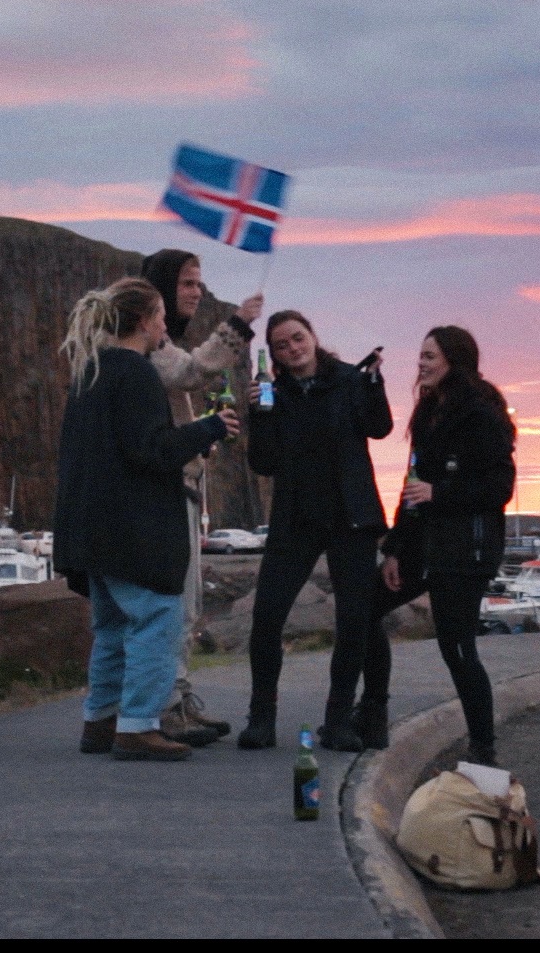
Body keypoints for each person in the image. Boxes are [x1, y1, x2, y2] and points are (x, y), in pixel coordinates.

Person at [53, 279, 237, 762]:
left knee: (112, 627)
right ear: (142, 321)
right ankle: (137, 726)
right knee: (158, 618)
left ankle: (101, 720)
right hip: (131, 529)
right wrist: (209, 428)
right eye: (159, 317)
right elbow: (151, 451)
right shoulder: (135, 374)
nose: (164, 328)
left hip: (89, 527)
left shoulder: (88, 373)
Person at [238, 311, 393, 750]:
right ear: (276, 357)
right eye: (282, 345)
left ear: (313, 336)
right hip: (296, 518)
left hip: (352, 517)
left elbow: (380, 429)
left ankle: (339, 721)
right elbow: (262, 463)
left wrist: (375, 384)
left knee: (353, 621)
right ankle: (261, 718)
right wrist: (259, 413)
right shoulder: (273, 392)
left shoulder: (349, 378)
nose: (292, 349)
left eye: (297, 338)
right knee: (266, 616)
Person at [371, 326, 515, 764]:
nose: (421, 363)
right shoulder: (429, 412)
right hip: (422, 543)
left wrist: (441, 493)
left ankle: (483, 747)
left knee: (456, 648)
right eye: (420, 354)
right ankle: (371, 712)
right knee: (362, 608)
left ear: (454, 359)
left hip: (464, 551)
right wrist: (394, 548)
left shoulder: (481, 413)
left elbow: (499, 486)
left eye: (430, 355)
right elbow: (413, 485)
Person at [137, 248, 264, 745]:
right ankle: (165, 709)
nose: (197, 292)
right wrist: (238, 324)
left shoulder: (157, 342)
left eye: (198, 283)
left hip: (181, 486)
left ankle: (174, 699)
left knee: (183, 605)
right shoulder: (151, 343)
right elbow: (189, 372)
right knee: (171, 605)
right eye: (188, 283)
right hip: (165, 492)